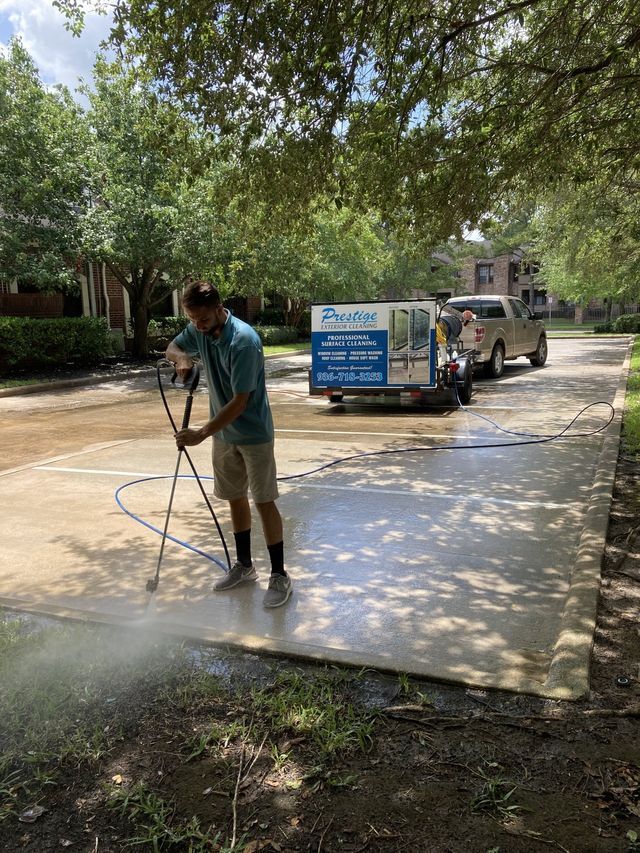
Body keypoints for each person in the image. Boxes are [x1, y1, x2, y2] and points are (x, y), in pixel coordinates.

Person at [165, 280, 292, 608]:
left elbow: (239, 402)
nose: (197, 326)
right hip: (223, 436)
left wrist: (201, 433)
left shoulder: (244, 341)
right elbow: (173, 347)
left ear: (219, 309)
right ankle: (245, 567)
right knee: (235, 498)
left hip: (253, 434)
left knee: (263, 501)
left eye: (202, 319)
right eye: (192, 320)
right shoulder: (199, 331)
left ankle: (279, 575)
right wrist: (182, 360)